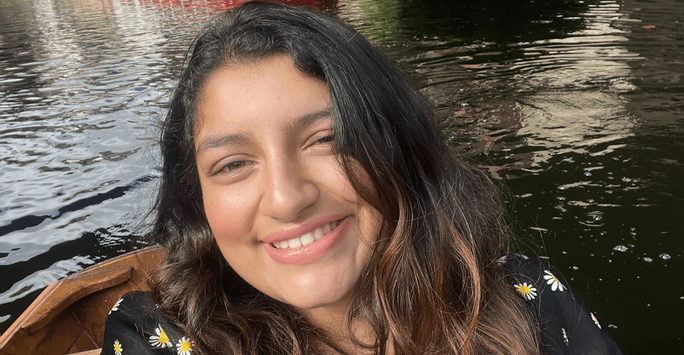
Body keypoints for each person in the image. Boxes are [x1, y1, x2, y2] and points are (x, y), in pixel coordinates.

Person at [101, 2, 623, 354]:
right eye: (233, 164)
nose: (287, 198)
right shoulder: (159, 337)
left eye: (327, 139)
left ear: (397, 146)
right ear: (200, 202)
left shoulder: (531, 301)